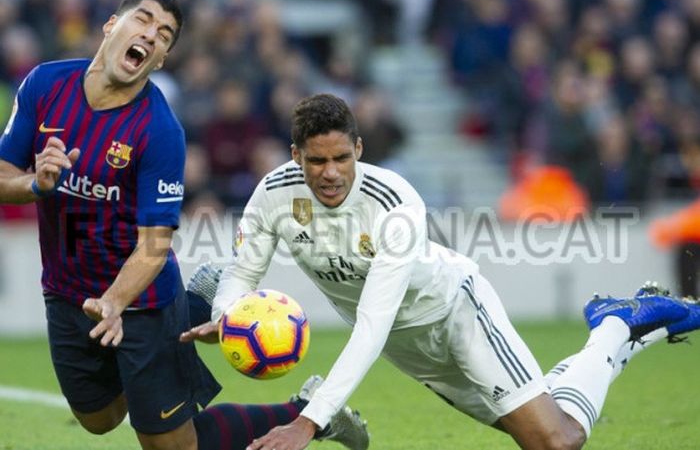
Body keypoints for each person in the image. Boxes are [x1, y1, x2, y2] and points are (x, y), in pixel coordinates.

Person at [182, 93, 700, 450]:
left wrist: (308, 419)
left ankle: (613, 329)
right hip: (408, 347)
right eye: (316, 161)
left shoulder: (394, 203)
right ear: (296, 156)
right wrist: (228, 315)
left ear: (359, 149)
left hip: (454, 312)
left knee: (556, 441)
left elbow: (371, 322)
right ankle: (619, 322)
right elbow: (242, 273)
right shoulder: (274, 194)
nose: (331, 173)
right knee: (541, 424)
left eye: (342, 157)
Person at [0, 0, 367, 450]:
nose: (151, 35)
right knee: (99, 418)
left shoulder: (159, 131)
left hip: (142, 300)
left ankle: (308, 410)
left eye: (164, 35)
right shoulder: (44, 84)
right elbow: (3, 176)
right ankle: (197, 307)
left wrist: (116, 302)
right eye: (143, 20)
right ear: (111, 25)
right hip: (66, 290)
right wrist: (36, 184)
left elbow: (153, 244)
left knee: (173, 446)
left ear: (160, 61)